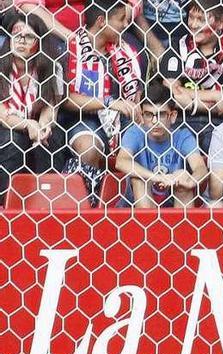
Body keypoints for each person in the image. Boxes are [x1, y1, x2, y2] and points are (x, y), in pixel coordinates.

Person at [61, 0, 144, 200]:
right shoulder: (70, 49)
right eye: (121, 19)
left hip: (122, 120)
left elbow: (137, 94)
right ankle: (84, 205)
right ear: (100, 21)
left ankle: (131, 206)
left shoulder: (128, 50)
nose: (126, 25)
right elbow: (65, 100)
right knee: (88, 148)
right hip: (82, 117)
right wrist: (108, 102)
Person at [158, 0, 223, 154]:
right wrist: (214, 95)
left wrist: (190, 101)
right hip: (180, 122)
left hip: (221, 125)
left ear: (221, 22)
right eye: (191, 17)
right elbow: (170, 93)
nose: (193, 24)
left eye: (201, 19)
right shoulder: (176, 47)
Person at [0, 11, 63, 203]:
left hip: (37, 123)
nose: (21, 40)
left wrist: (42, 127)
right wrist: (27, 125)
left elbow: (52, 109)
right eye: (16, 35)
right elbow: (2, 114)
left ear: (39, 43)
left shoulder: (53, 68)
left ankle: (47, 204)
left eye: (28, 36)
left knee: (49, 140)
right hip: (7, 125)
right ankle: (6, 204)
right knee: (13, 140)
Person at [116, 82, 208, 208]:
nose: (155, 121)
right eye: (149, 115)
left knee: (183, 177)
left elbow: (200, 168)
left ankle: (184, 227)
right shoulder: (135, 132)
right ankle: (150, 227)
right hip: (135, 209)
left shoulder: (182, 136)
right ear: (142, 115)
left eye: (162, 115)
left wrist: (189, 182)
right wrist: (157, 178)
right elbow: (121, 161)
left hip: (173, 201)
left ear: (173, 116)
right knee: (139, 179)